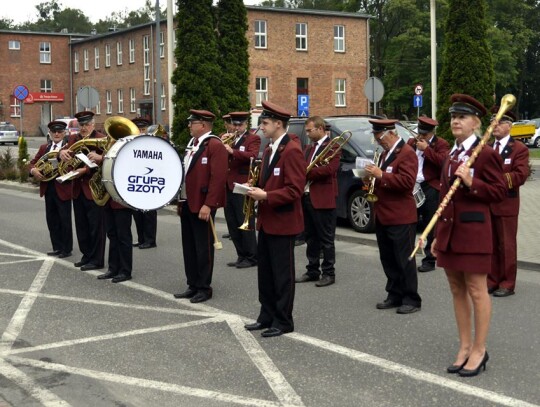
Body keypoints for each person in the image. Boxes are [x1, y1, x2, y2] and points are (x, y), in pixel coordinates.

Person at [433, 94, 506, 377]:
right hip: (450, 233)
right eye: (453, 116)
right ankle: (464, 346)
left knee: (477, 290)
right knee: (456, 288)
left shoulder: (485, 153)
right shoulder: (451, 155)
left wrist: (472, 181)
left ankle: (479, 349)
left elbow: (499, 192)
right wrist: (439, 234)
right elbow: (443, 198)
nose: (455, 121)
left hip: (474, 232)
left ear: (476, 123)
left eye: (462, 117)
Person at [244, 101, 306, 337]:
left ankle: (283, 320)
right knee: (266, 274)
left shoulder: (292, 151)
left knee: (282, 275)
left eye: (265, 122)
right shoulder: (270, 149)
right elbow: (269, 181)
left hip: (284, 222)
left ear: (278, 124)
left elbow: (294, 190)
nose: (261, 127)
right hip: (267, 221)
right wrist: (253, 186)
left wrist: (266, 195)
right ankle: (266, 315)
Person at [365, 119, 422, 314]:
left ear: (391, 133)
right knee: (388, 258)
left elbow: (407, 182)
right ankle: (394, 293)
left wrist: (381, 175)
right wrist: (370, 180)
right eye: (376, 137)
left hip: (401, 216)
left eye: (379, 137)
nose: (378, 141)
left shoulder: (407, 153)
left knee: (404, 259)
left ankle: (411, 298)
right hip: (383, 214)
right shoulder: (384, 153)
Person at [174, 109, 228, 303]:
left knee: (203, 248)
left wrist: (209, 204)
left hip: (203, 205)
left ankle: (204, 287)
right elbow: (186, 175)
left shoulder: (214, 145)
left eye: (193, 122)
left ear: (203, 125)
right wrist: (181, 199)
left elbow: (218, 178)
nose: (189, 125)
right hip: (188, 202)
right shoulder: (193, 144)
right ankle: (193, 284)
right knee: (189, 246)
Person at [487, 108, 529, 297]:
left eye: (499, 121)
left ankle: (507, 283)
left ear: (509, 126)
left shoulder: (519, 148)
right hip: (487, 203)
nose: (494, 124)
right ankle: (492, 279)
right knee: (491, 244)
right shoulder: (487, 146)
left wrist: (495, 180)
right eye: (492, 121)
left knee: (506, 245)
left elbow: (520, 175)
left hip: (506, 204)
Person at [59, 110, 106, 271]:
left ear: (93, 124)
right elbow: (63, 151)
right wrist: (61, 152)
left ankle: (97, 259)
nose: (84, 128)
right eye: (81, 125)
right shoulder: (73, 138)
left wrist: (85, 170)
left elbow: (105, 161)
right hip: (77, 188)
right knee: (82, 225)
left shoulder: (100, 138)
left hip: (94, 188)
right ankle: (87, 255)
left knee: (96, 226)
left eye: (87, 124)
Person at [295, 116, 340, 287]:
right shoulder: (308, 148)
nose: (307, 134)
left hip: (323, 198)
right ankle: (312, 270)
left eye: (309, 130)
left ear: (320, 128)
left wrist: (307, 173)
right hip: (306, 197)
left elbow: (330, 169)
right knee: (311, 237)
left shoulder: (333, 146)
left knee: (326, 239)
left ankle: (329, 273)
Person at [407, 117, 449, 272]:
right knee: (409, 222)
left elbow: (444, 162)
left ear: (432, 132)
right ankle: (408, 254)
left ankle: (429, 260)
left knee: (429, 225)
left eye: (425, 134)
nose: (421, 136)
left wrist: (427, 150)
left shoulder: (441, 144)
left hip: (429, 187)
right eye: (420, 133)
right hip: (412, 186)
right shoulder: (411, 142)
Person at [29, 120, 73, 258]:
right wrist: (33, 171)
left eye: (60, 131)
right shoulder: (44, 148)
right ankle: (57, 247)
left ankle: (66, 249)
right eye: (54, 131)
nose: (57, 134)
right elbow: (32, 163)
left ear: (64, 133)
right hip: (48, 188)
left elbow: (73, 165)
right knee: (52, 219)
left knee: (64, 220)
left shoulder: (69, 148)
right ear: (50, 133)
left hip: (63, 188)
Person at [223, 111, 261, 268]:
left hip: (242, 184)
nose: (237, 127)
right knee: (232, 223)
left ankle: (252, 257)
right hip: (227, 185)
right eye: (234, 124)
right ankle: (241, 255)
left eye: (240, 124)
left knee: (244, 221)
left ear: (246, 124)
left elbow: (252, 155)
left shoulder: (253, 138)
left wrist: (232, 151)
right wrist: (220, 144)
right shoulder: (226, 138)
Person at [131, 117, 158, 249]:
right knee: (137, 213)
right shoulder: (131, 143)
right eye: (138, 130)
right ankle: (141, 238)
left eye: (143, 129)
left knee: (149, 213)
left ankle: (150, 240)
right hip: (136, 182)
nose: (141, 132)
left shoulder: (153, 143)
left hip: (149, 181)